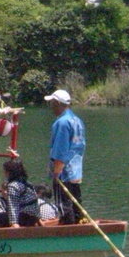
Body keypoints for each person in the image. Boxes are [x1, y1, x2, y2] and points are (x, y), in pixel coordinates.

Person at [45, 88, 85, 224]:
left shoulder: (62, 123)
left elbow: (60, 150)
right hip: (76, 170)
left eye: (51, 103)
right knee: (76, 202)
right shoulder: (77, 120)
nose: (50, 106)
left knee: (64, 205)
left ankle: (68, 229)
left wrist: (56, 173)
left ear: (57, 103)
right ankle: (79, 224)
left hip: (64, 172)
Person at [2, 159, 39, 227]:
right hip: (33, 217)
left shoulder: (13, 186)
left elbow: (13, 206)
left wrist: (14, 223)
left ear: (9, 172)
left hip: (24, 217)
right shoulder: (27, 183)